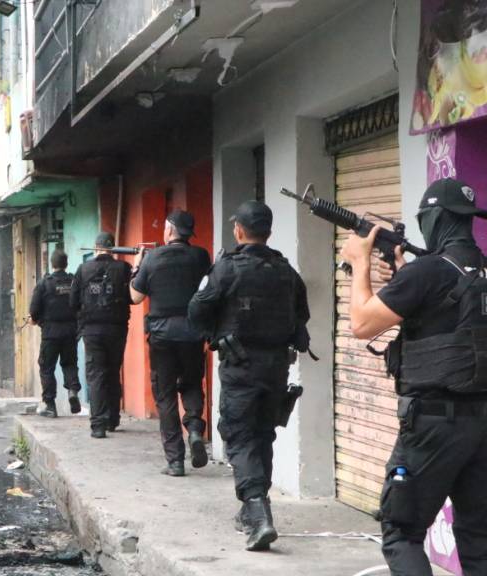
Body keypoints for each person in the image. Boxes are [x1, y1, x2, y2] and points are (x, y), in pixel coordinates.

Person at [341, 178, 487, 575]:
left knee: (401, 533)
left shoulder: (427, 273)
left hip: (433, 426)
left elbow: (362, 324)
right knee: (479, 541)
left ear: (432, 219)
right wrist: (405, 274)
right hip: (481, 425)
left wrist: (359, 263)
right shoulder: (471, 271)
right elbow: (451, 316)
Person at [188, 200, 310, 552]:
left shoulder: (227, 268)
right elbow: (301, 315)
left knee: (239, 436)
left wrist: (215, 333)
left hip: (240, 367)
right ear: (268, 232)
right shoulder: (286, 271)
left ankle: (257, 513)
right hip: (276, 368)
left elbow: (196, 310)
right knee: (262, 435)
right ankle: (252, 510)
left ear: (239, 230)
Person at [130, 210, 212, 477]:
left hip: (162, 336)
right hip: (193, 333)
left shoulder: (152, 258)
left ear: (168, 231)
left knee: (165, 395)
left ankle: (175, 461)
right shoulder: (201, 256)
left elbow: (135, 297)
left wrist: (136, 267)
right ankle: (195, 429)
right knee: (192, 383)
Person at [70, 232, 133, 438]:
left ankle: (98, 425)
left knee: (96, 375)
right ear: (113, 248)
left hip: (92, 330)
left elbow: (73, 301)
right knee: (113, 371)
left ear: (96, 247)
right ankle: (112, 419)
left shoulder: (83, 269)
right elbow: (132, 297)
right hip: (117, 329)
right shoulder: (124, 268)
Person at [30, 249, 81, 418]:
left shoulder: (44, 284)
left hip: (50, 334)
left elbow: (34, 311)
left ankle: (50, 405)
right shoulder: (74, 282)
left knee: (46, 368)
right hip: (70, 332)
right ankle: (72, 391)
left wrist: (35, 319)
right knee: (70, 364)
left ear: (52, 264)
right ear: (66, 264)